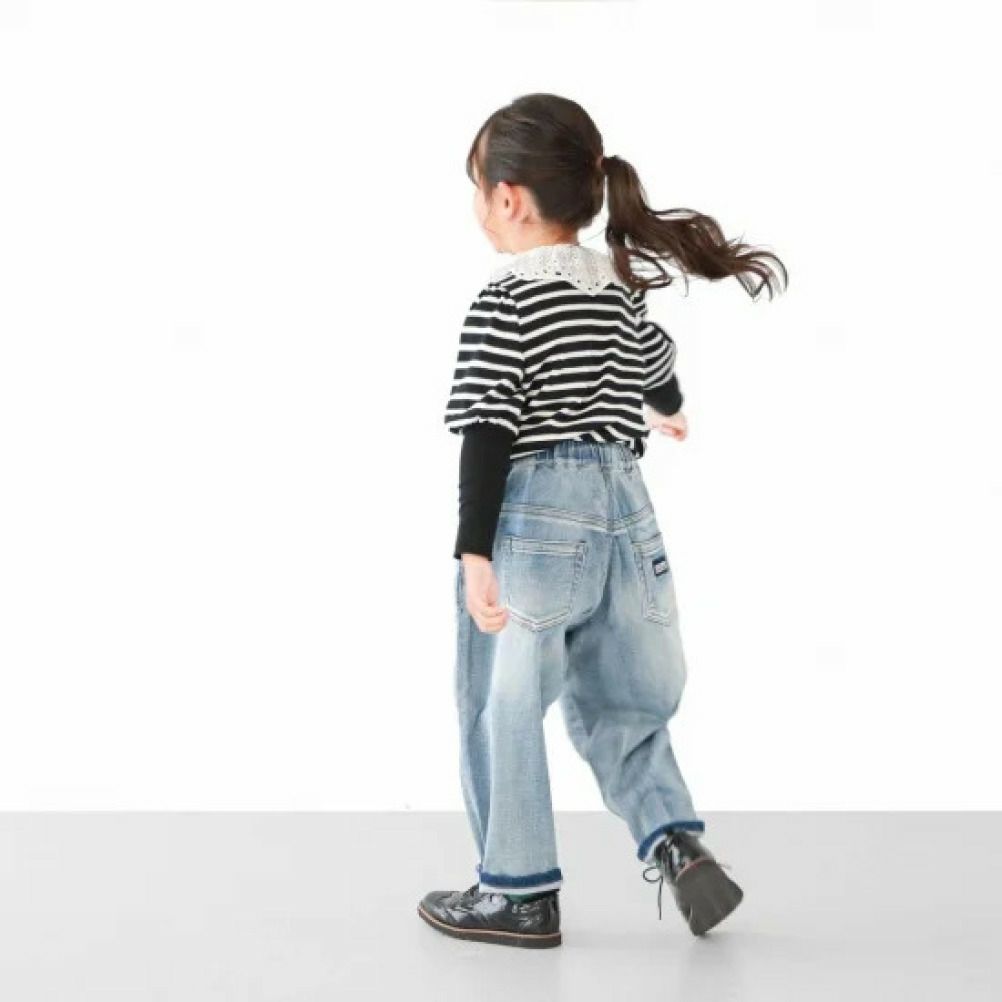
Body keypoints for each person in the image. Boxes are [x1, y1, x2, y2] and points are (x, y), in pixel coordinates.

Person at [417, 93, 788, 950]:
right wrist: (670, 408)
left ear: (508, 197)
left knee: (501, 703)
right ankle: (676, 841)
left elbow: (488, 428)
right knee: (623, 704)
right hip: (626, 510)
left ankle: (516, 890)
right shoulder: (615, 289)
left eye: (477, 188)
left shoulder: (506, 299)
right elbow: (656, 363)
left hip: (536, 518)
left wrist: (474, 552)